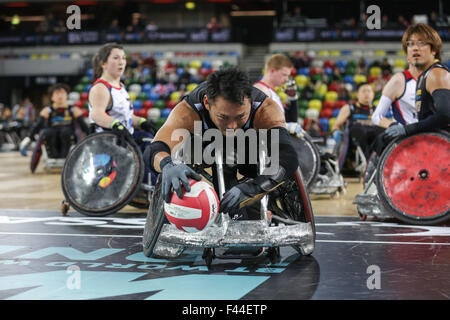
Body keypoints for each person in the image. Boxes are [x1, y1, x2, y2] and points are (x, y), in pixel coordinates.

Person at [143, 67, 299, 220]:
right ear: (206, 103)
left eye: (240, 116)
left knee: (259, 166)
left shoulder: (266, 109)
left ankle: (261, 200)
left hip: (252, 147)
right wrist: (167, 164)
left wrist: (254, 187)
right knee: (223, 163)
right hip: (205, 146)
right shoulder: (189, 110)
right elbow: (155, 149)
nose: (232, 126)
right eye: (223, 117)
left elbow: (287, 155)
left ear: (250, 102)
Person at [88, 43, 156, 180]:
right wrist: (116, 125)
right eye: (116, 58)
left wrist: (142, 122)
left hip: (127, 136)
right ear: (103, 63)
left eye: (123, 58)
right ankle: (152, 184)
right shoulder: (101, 88)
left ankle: (159, 181)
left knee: (155, 143)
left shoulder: (120, 86)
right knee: (147, 158)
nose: (121, 62)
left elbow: (127, 116)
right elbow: (96, 114)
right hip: (109, 141)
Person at [383, 23, 450, 142]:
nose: (415, 48)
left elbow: (445, 115)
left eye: (421, 43)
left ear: (433, 50)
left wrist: (408, 129)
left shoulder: (436, 73)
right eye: (411, 44)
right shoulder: (423, 76)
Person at [19, 83, 89, 158]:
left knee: (65, 132)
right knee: (48, 132)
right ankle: (53, 156)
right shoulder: (47, 110)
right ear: (52, 97)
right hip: (52, 136)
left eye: (62, 93)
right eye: (57, 93)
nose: (60, 96)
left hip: (67, 136)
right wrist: (27, 139)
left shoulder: (74, 109)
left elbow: (83, 126)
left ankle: (65, 156)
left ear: (66, 95)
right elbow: (37, 126)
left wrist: (91, 137)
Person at [331, 82, 385, 158]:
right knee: (359, 129)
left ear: (373, 94)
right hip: (355, 139)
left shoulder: (377, 110)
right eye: (363, 91)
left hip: (373, 139)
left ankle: (380, 159)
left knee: (382, 130)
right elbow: (336, 126)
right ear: (357, 95)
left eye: (369, 91)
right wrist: (337, 134)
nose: (366, 93)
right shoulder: (349, 108)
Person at [372, 57, 419, 129]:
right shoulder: (398, 81)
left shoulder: (437, 79)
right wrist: (393, 126)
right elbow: (377, 116)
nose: (416, 49)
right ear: (407, 58)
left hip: (431, 135)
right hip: (406, 137)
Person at [253, 54, 298, 123]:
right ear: (272, 71)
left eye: (288, 76)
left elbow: (291, 121)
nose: (287, 79)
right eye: (284, 75)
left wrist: (292, 99)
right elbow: (258, 125)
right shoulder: (262, 90)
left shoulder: (271, 91)